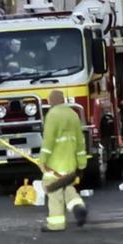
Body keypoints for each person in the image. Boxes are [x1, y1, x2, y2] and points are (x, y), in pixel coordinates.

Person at [38, 90, 87, 232]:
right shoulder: (73, 114)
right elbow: (80, 141)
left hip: (55, 163)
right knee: (67, 187)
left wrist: (43, 160)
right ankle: (78, 206)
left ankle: (56, 223)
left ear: (51, 101)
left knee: (53, 191)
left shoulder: (52, 115)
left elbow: (48, 141)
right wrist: (82, 162)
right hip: (70, 163)